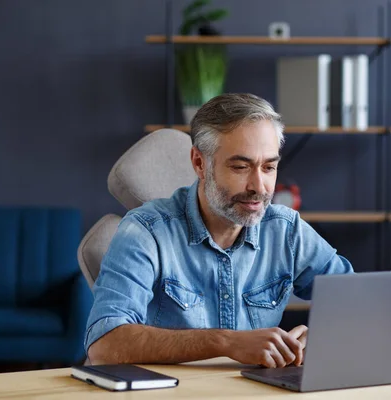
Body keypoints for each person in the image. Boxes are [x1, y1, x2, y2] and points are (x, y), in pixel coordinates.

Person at [85, 93, 353, 368]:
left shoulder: (286, 230)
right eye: (240, 167)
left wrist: (321, 335)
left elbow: (357, 301)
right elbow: (105, 344)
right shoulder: (145, 232)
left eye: (269, 167)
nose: (259, 187)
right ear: (200, 163)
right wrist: (225, 342)